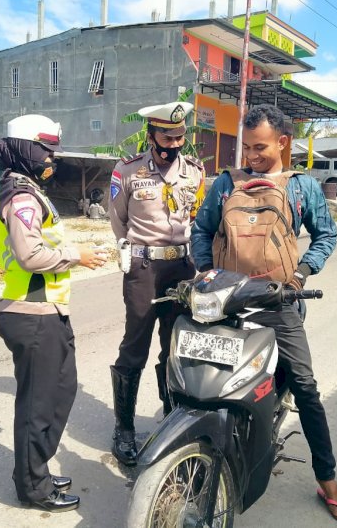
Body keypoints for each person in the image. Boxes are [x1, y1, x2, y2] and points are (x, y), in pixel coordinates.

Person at [190, 104, 337, 523]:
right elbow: (201, 229)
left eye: (260, 147)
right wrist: (205, 270)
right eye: (246, 147)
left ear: (283, 142)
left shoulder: (301, 186)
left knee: (305, 386)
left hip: (277, 303)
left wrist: (301, 274)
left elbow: (325, 235)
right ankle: (189, 454)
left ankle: (328, 478)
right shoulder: (227, 183)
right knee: (196, 374)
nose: (251, 155)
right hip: (225, 300)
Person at [0, 114, 108, 513]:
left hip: (48, 311)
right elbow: (30, 255)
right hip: (32, 314)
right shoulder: (22, 197)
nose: (51, 158)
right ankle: (33, 487)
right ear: (26, 148)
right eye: (46, 150)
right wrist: (80, 255)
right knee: (38, 405)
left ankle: (34, 469)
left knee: (61, 391)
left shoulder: (26, 191)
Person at [108, 101, 206, 466]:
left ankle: (171, 417)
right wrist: (135, 252)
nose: (175, 143)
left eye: (181, 136)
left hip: (181, 268)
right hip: (144, 268)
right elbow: (117, 218)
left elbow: (195, 216)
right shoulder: (128, 170)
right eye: (168, 136)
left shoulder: (195, 172)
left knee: (176, 345)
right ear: (151, 134)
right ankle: (124, 429)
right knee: (135, 344)